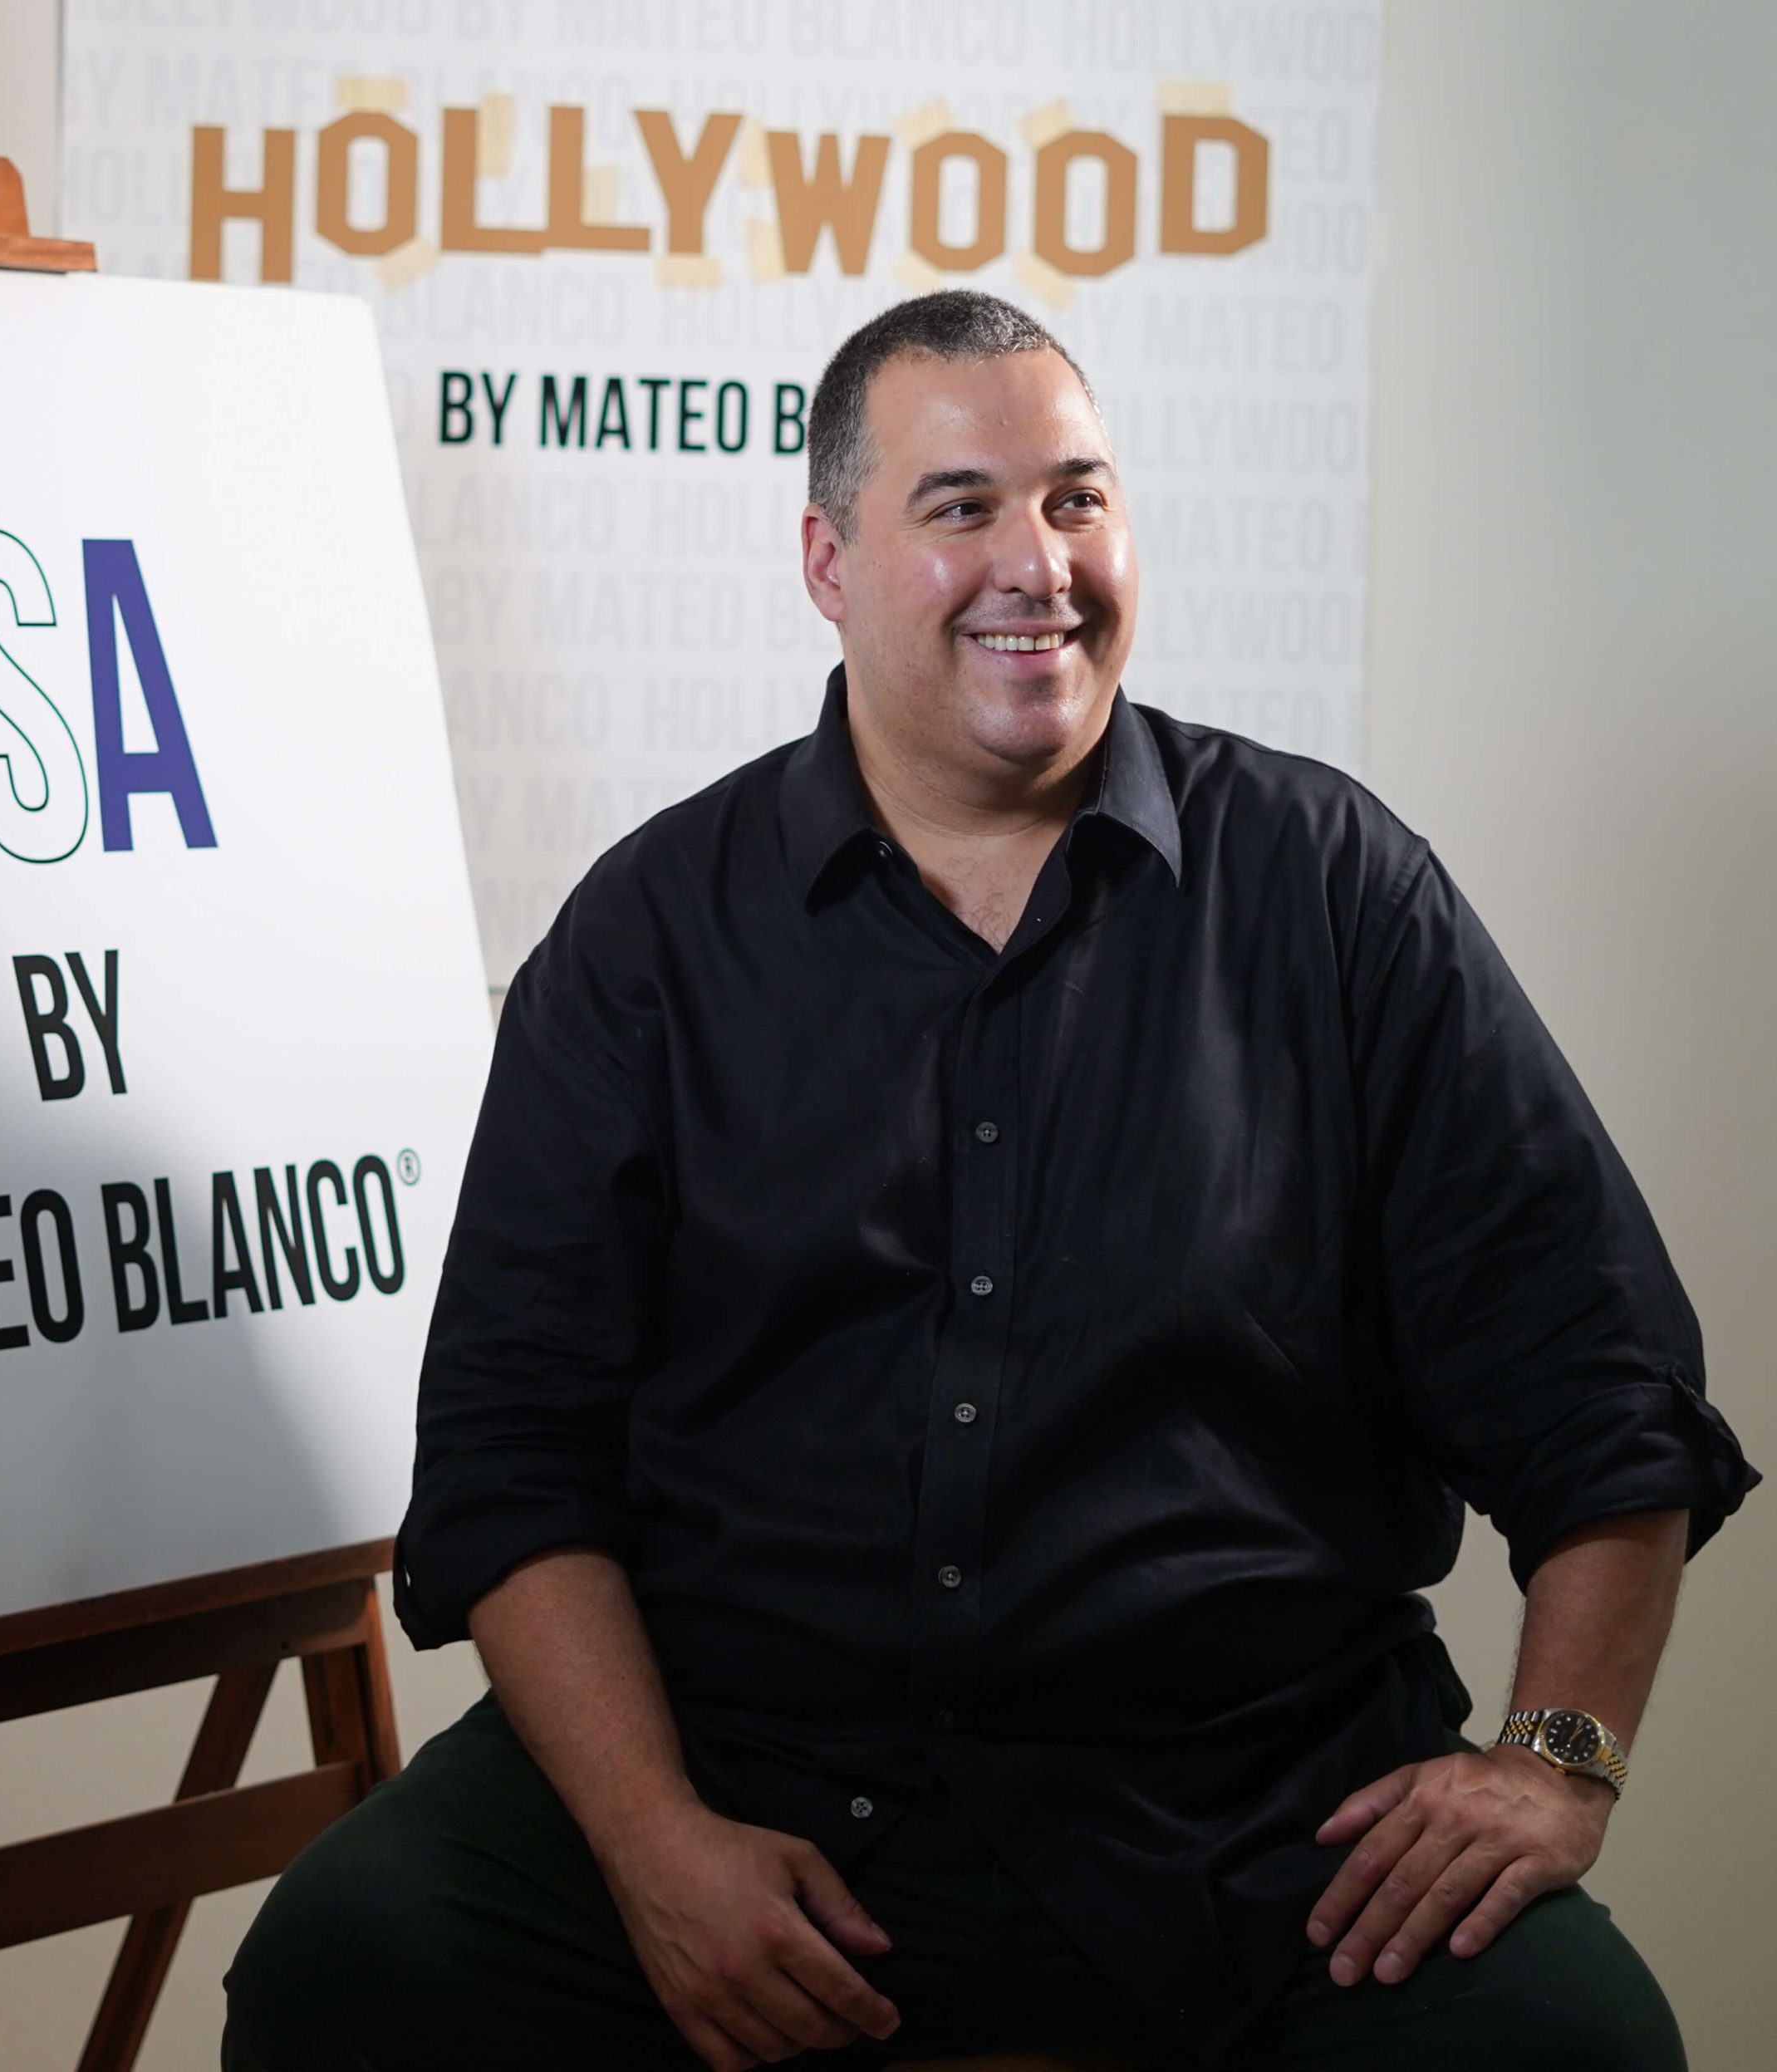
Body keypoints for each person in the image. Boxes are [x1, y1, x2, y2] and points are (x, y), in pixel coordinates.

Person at [223, 291, 1756, 2071]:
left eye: (1077, 498)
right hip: (742, 1784)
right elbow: (511, 1457)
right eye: (959, 506)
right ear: (826, 558)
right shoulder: (647, 935)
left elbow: (1601, 1389)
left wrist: (1550, 1763)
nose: (1038, 562)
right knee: (352, 1965)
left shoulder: (1330, 890)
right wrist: (651, 1846)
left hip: (1251, 1825)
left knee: (1570, 2042)